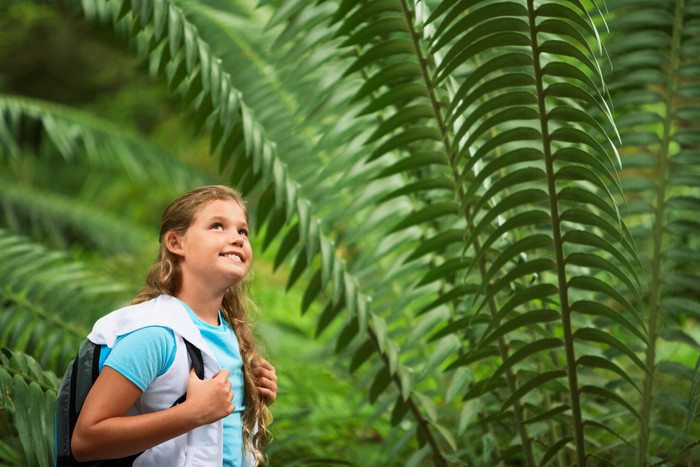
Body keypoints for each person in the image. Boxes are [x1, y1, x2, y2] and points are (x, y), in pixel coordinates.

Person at [71, 185, 277, 466]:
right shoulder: (154, 335)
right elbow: (85, 441)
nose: (237, 239)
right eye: (218, 226)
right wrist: (191, 413)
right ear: (176, 243)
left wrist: (255, 396)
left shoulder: (231, 336)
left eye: (243, 231)